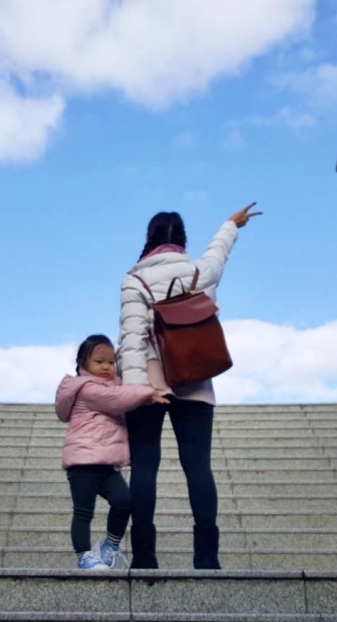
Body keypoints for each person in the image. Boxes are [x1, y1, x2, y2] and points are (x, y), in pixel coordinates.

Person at [118, 203, 262, 569]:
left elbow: (132, 338)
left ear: (148, 240)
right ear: (181, 239)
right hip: (196, 378)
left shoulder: (134, 281)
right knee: (198, 468)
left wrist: (139, 389)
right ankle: (207, 558)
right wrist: (231, 224)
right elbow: (218, 254)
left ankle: (145, 558)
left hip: (150, 383)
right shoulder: (200, 271)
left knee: (145, 468)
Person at [55, 334, 170, 570]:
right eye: (99, 362)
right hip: (83, 462)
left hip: (107, 465)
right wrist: (148, 392)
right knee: (83, 512)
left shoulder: (113, 385)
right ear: (82, 364)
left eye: (111, 361)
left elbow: (124, 393)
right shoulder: (85, 387)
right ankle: (84, 556)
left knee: (125, 501)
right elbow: (116, 399)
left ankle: (110, 546)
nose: (107, 367)